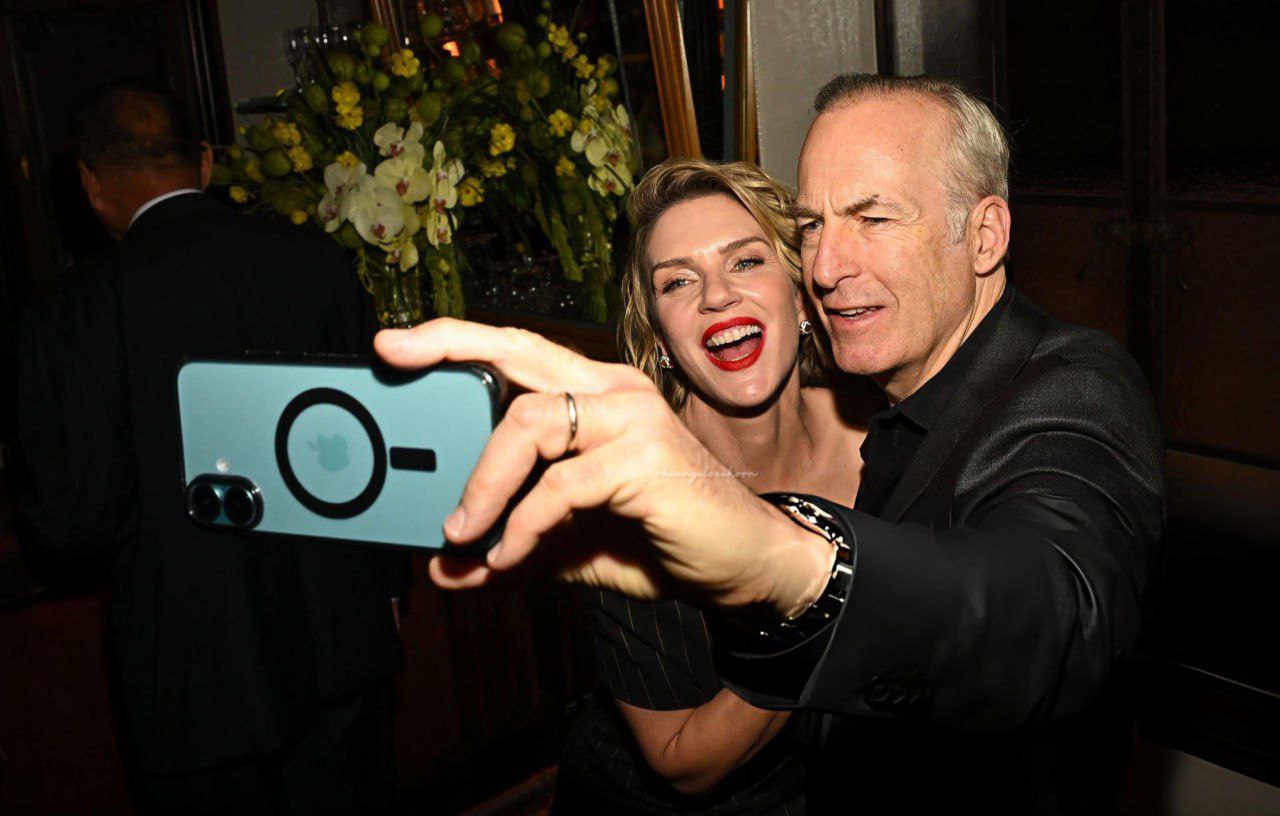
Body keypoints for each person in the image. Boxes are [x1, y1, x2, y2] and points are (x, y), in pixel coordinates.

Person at [379, 72, 1164, 813]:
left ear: (984, 234)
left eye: (873, 218)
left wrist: (793, 571)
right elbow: (686, 759)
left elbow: (1058, 611)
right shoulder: (671, 461)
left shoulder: (1069, 388)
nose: (828, 265)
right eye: (814, 226)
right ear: (657, 333)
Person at [12, 84, 406, 814]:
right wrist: (387, 588)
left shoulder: (69, 313)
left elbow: (72, 526)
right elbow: (373, 446)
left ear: (91, 182)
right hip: (339, 643)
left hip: (195, 675)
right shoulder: (314, 259)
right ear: (203, 161)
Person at [553, 160, 871, 814]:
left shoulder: (882, 444)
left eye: (746, 262)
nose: (717, 296)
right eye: (678, 281)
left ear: (801, 297)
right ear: (661, 339)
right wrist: (832, 601)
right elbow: (683, 762)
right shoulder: (630, 498)